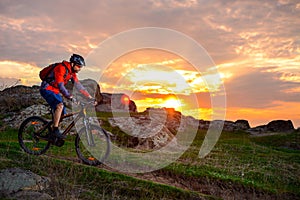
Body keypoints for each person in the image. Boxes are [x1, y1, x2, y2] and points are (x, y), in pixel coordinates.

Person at [40, 54, 95, 140]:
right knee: (60, 106)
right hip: (47, 89)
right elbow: (60, 85)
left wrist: (89, 97)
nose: (79, 69)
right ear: (72, 64)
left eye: (81, 67)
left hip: (55, 91)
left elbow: (78, 85)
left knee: (62, 114)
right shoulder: (61, 68)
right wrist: (70, 96)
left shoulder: (72, 73)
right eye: (78, 66)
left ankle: (51, 134)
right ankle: (55, 130)